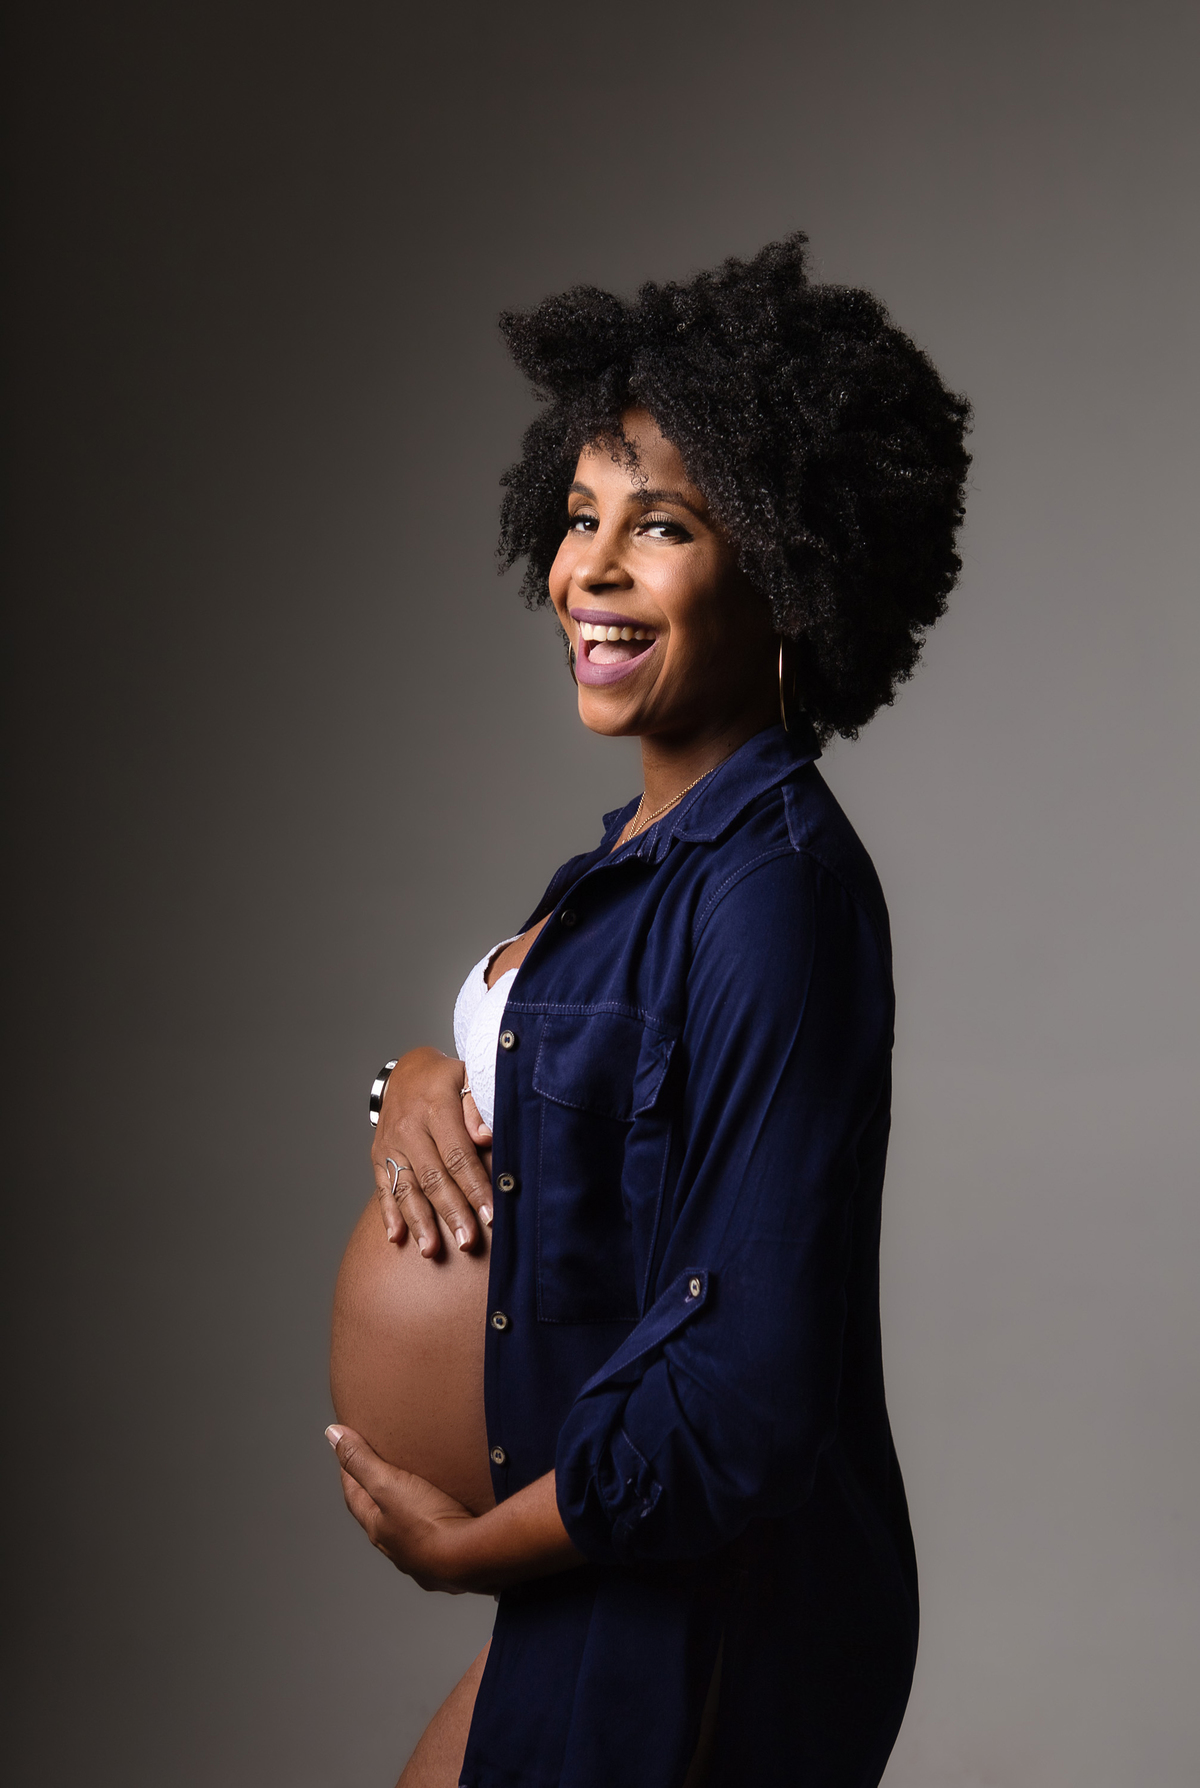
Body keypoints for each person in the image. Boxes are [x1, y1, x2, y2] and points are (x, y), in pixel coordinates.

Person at [325, 233, 971, 1788]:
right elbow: (548, 1107)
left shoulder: (773, 894)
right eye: (579, 518)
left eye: (660, 526)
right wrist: (410, 1083)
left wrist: (475, 1549)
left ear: (790, 569)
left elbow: (744, 1393)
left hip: (697, 1604)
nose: (590, 571)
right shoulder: (629, 862)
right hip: (598, 1576)